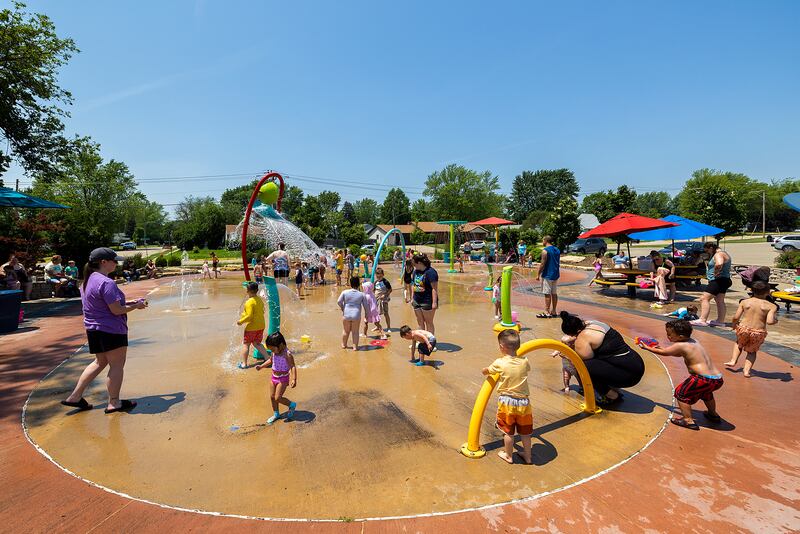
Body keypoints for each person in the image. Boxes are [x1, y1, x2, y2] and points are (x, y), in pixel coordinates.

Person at [61, 248, 147, 413]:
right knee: (116, 366)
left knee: (99, 362)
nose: (117, 263)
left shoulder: (87, 281)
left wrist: (130, 302)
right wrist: (136, 306)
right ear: (104, 262)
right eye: (114, 261)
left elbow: (105, 304)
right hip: (111, 330)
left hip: (93, 330)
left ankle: (75, 396)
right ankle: (114, 402)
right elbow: (116, 310)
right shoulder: (107, 282)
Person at [638, 319, 723, 430]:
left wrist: (647, 347)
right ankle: (713, 414)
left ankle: (688, 420)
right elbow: (681, 354)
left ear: (681, 337)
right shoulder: (694, 341)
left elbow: (665, 353)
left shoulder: (680, 345)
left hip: (702, 378)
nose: (668, 337)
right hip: (717, 378)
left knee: (681, 394)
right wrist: (661, 348)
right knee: (706, 393)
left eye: (670, 335)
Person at [559, 311, 645, 406]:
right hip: (637, 363)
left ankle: (612, 396)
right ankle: (613, 388)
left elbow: (584, 361)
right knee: (602, 361)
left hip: (629, 375)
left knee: (584, 367)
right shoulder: (594, 323)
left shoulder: (582, 338)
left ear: (574, 333)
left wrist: (568, 354)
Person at [482, 329, 532, 465]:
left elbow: (487, 371)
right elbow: (526, 369)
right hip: (524, 402)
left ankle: (508, 455)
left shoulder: (500, 363)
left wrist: (485, 370)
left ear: (501, 347)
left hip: (507, 402)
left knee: (508, 432)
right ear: (519, 346)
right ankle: (528, 457)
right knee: (525, 433)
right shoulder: (525, 361)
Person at [725, 281, 778, 377]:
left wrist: (733, 325)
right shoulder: (771, 306)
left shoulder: (744, 302)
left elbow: (736, 317)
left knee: (739, 344)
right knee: (752, 351)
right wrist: (776, 320)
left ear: (751, 290)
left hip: (743, 328)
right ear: (768, 292)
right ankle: (746, 371)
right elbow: (770, 321)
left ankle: (733, 361)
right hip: (758, 332)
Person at [255, 331, 298, 424]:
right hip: (274, 377)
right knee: (272, 396)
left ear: (281, 344)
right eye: (271, 350)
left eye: (273, 349)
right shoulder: (274, 353)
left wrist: (294, 379)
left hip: (283, 378)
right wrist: (261, 366)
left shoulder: (287, 354)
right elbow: (271, 360)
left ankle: (291, 405)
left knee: (277, 397)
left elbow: (292, 366)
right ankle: (276, 414)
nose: (272, 351)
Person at [691, 242, 732, 327]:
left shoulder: (718, 254)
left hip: (718, 280)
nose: (707, 252)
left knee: (704, 298)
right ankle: (720, 321)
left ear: (710, 248)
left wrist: (716, 273)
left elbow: (719, 263)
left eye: (707, 250)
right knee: (719, 300)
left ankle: (702, 320)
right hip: (724, 280)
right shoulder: (723, 253)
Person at [236, 282, 265, 369]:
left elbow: (249, 316)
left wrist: (240, 321)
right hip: (261, 325)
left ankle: (244, 364)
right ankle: (267, 358)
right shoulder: (259, 300)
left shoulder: (249, 302)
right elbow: (262, 311)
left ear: (247, 291)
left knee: (246, 344)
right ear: (257, 290)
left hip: (252, 327)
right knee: (257, 343)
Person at [410, 254, 439, 335]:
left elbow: (434, 288)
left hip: (427, 301)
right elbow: (413, 284)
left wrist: (434, 303)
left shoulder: (431, 272)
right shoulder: (416, 271)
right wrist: (412, 298)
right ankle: (422, 341)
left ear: (419, 263)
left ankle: (431, 342)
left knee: (429, 322)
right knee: (420, 322)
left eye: (414, 264)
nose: (414, 266)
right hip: (417, 300)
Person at [338, 276, 368, 350]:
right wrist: (366, 316)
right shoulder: (361, 294)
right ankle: (355, 347)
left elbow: (339, 301)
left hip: (346, 314)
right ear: (358, 284)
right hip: (356, 315)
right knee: (355, 332)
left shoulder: (345, 292)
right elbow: (366, 307)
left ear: (350, 284)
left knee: (345, 331)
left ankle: (344, 345)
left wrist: (342, 308)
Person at [535, 235, 561, 318]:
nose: (542, 242)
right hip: (555, 274)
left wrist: (538, 274)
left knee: (547, 293)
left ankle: (547, 311)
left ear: (545, 240)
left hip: (547, 275)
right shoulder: (557, 250)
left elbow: (543, 264)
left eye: (543, 240)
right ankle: (554, 311)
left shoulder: (545, 251)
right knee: (554, 293)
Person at [374, 268, 393, 332]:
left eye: (380, 275)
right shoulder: (376, 282)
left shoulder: (386, 282)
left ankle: (388, 327)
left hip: (384, 300)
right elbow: (374, 290)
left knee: (386, 313)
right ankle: (377, 326)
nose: (378, 276)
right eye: (377, 275)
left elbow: (390, 290)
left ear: (383, 274)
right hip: (376, 300)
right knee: (376, 314)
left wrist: (385, 295)